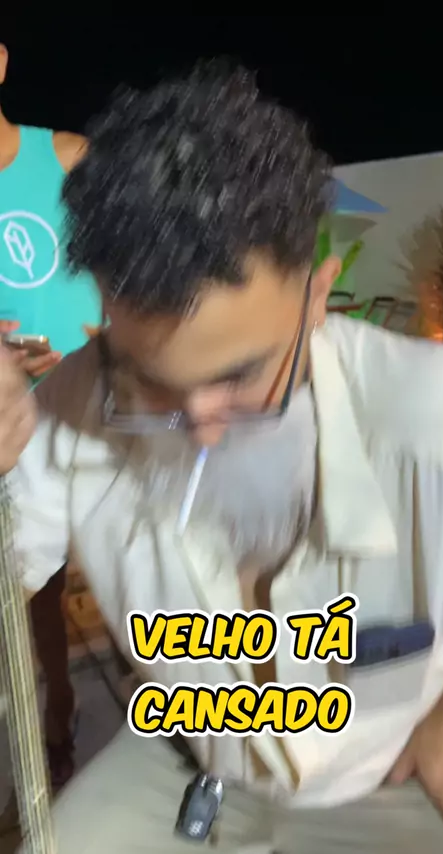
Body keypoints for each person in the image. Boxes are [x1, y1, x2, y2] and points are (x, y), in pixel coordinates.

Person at [1, 63, 443, 854]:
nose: (201, 430)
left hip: (386, 773)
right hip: (179, 761)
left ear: (318, 294)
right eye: (150, 383)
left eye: (241, 376)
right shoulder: (78, 403)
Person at [0, 41, 101, 789]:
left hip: (105, 410)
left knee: (148, 577)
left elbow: (141, 261)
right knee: (30, 589)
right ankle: (55, 715)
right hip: (18, 426)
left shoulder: (67, 157)